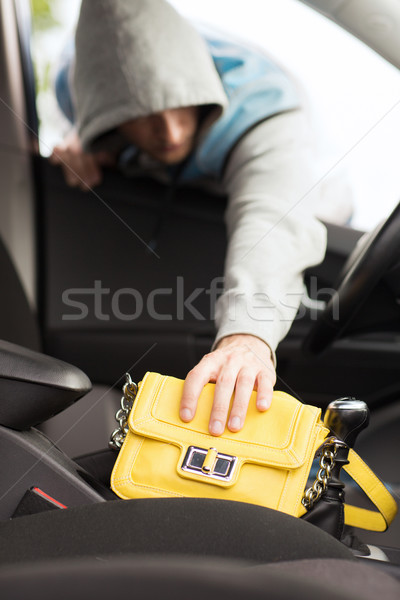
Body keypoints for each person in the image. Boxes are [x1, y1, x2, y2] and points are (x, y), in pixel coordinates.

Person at [50, 0, 351, 438]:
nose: (170, 133)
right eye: (141, 117)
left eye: (182, 105)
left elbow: (271, 220)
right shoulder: (74, 87)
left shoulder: (267, 111)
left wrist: (247, 337)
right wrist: (82, 138)